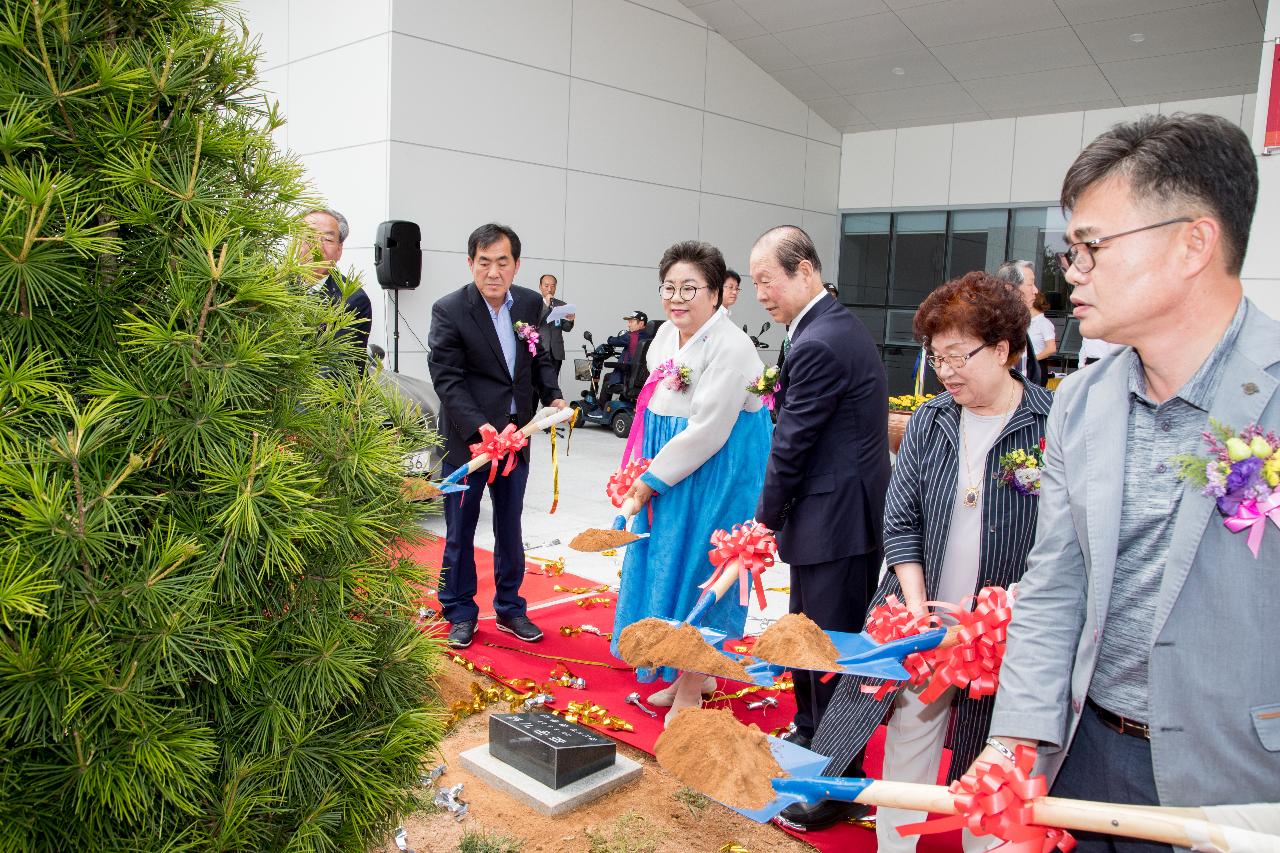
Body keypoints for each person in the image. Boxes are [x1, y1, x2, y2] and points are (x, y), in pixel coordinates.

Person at [978, 113, 1279, 851]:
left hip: (1238, 781)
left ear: (1193, 243)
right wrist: (1016, 738)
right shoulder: (1081, 400)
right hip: (1083, 757)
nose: (1071, 271)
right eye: (1070, 250)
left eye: (1091, 247)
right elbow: (1053, 585)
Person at [799, 272, 1050, 842]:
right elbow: (901, 518)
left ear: (1004, 349)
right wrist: (916, 610)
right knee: (910, 732)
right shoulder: (931, 421)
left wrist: (998, 615)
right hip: (924, 616)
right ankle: (895, 841)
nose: (947, 371)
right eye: (937, 358)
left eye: (959, 355)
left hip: (1006, 626)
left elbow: (1061, 542)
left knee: (994, 754)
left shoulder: (1048, 424)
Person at [750, 225, 891, 816]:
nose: (761, 293)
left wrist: (761, 521)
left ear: (804, 270)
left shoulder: (821, 341)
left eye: (767, 279)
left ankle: (835, 782)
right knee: (806, 638)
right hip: (822, 517)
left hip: (837, 520)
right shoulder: (819, 327)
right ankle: (811, 737)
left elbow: (792, 442)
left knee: (831, 650)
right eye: (754, 281)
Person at [610, 241, 773, 725]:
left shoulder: (732, 347)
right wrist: (643, 468)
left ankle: (690, 686)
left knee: (701, 563)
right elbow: (655, 408)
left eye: (690, 289)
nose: (677, 299)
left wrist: (649, 481)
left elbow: (708, 431)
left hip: (719, 471)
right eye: (669, 288)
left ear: (719, 293)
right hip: (672, 466)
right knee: (667, 557)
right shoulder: (664, 336)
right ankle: (690, 675)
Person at [427, 223, 568, 650]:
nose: (493, 271)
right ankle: (459, 611)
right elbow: (446, 378)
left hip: (517, 437)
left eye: (502, 262)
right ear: (471, 263)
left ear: (516, 264)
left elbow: (539, 358)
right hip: (469, 441)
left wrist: (555, 394)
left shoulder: (527, 302)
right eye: (484, 262)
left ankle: (510, 607)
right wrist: (480, 426)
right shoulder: (449, 309)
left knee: (510, 527)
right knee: (460, 530)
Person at [302, 208, 373, 363]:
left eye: (327, 239)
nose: (317, 247)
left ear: (339, 250)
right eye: (309, 237)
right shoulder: (274, 285)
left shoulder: (353, 300)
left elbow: (340, 366)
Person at [994, 260, 1044, 386]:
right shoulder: (996, 328)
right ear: (1010, 288)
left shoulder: (1018, 324)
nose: (1036, 290)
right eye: (1030, 284)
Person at [597, 310, 649, 411]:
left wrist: (610, 338)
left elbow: (614, 341)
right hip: (642, 378)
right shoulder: (650, 338)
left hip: (628, 377)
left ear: (641, 323)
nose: (628, 325)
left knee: (608, 378)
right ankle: (623, 402)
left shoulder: (631, 336)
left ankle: (601, 409)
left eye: (631, 322)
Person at [536, 273, 575, 381]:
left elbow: (566, 328)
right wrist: (547, 305)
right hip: (540, 349)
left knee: (552, 384)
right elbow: (535, 323)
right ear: (540, 287)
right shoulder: (535, 303)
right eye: (546, 285)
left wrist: (570, 320)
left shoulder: (562, 304)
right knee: (536, 385)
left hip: (556, 352)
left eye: (553, 286)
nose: (550, 289)